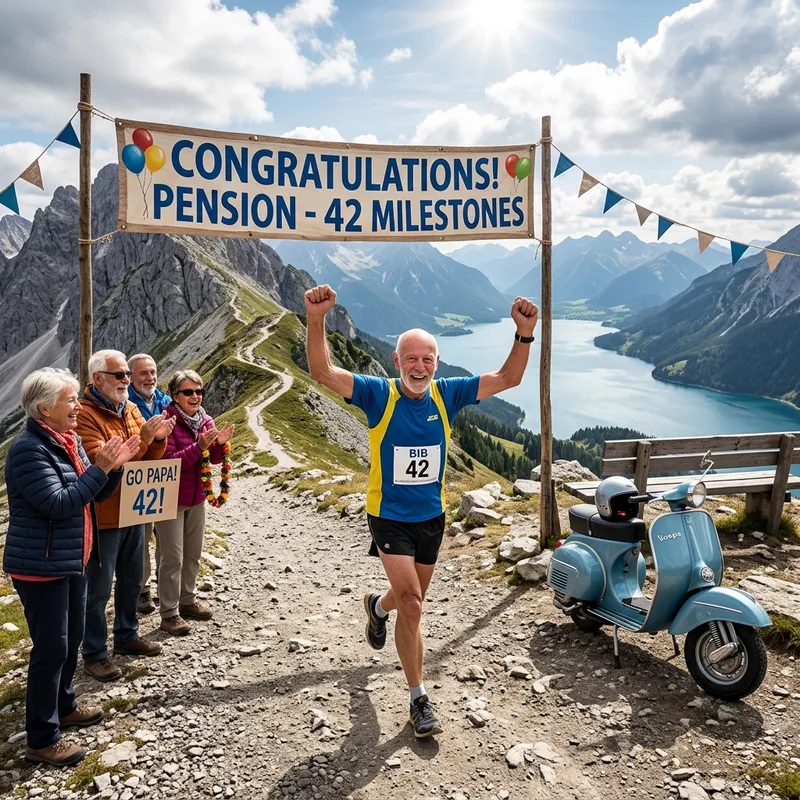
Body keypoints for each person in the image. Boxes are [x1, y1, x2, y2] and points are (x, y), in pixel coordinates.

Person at [304, 284, 538, 739]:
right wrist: (316, 320)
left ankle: (375, 605)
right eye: (411, 358)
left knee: (408, 601)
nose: (419, 366)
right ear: (397, 362)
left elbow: (508, 378)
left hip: (432, 516)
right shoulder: (378, 395)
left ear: (436, 363)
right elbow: (323, 372)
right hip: (388, 515)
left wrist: (524, 333)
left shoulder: (447, 395)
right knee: (412, 603)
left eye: (427, 359)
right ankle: (418, 698)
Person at [3, 368, 140, 766]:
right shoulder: (29, 449)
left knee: (72, 638)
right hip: (40, 566)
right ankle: (42, 738)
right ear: (45, 408)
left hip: (71, 559)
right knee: (50, 648)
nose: (78, 406)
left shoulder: (69, 439)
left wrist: (111, 468)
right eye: (71, 400)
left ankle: (63, 705)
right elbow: (59, 504)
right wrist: (100, 467)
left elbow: (91, 494)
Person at [76, 350, 176, 682]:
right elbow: (99, 460)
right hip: (104, 515)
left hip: (135, 509)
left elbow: (145, 459)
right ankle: (94, 653)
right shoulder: (85, 414)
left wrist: (157, 440)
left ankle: (126, 634)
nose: (125, 381)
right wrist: (144, 440)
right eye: (118, 375)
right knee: (99, 588)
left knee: (133, 578)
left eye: (126, 376)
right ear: (98, 379)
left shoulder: (131, 408)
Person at [158, 369, 234, 635]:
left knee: (192, 554)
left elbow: (211, 460)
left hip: (196, 498)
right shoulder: (166, 421)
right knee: (173, 557)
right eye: (188, 392)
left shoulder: (205, 420)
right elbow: (168, 463)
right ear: (175, 396)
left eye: (199, 391)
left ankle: (188, 600)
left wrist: (218, 445)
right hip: (171, 499)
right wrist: (199, 446)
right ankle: (169, 613)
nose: (195, 396)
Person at [127, 353, 171, 616]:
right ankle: (141, 591)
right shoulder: (126, 402)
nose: (150, 377)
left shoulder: (164, 400)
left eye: (153, 372)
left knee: (163, 536)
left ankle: (163, 586)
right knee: (140, 538)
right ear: (132, 377)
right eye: (143, 373)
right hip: (138, 478)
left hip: (165, 476)